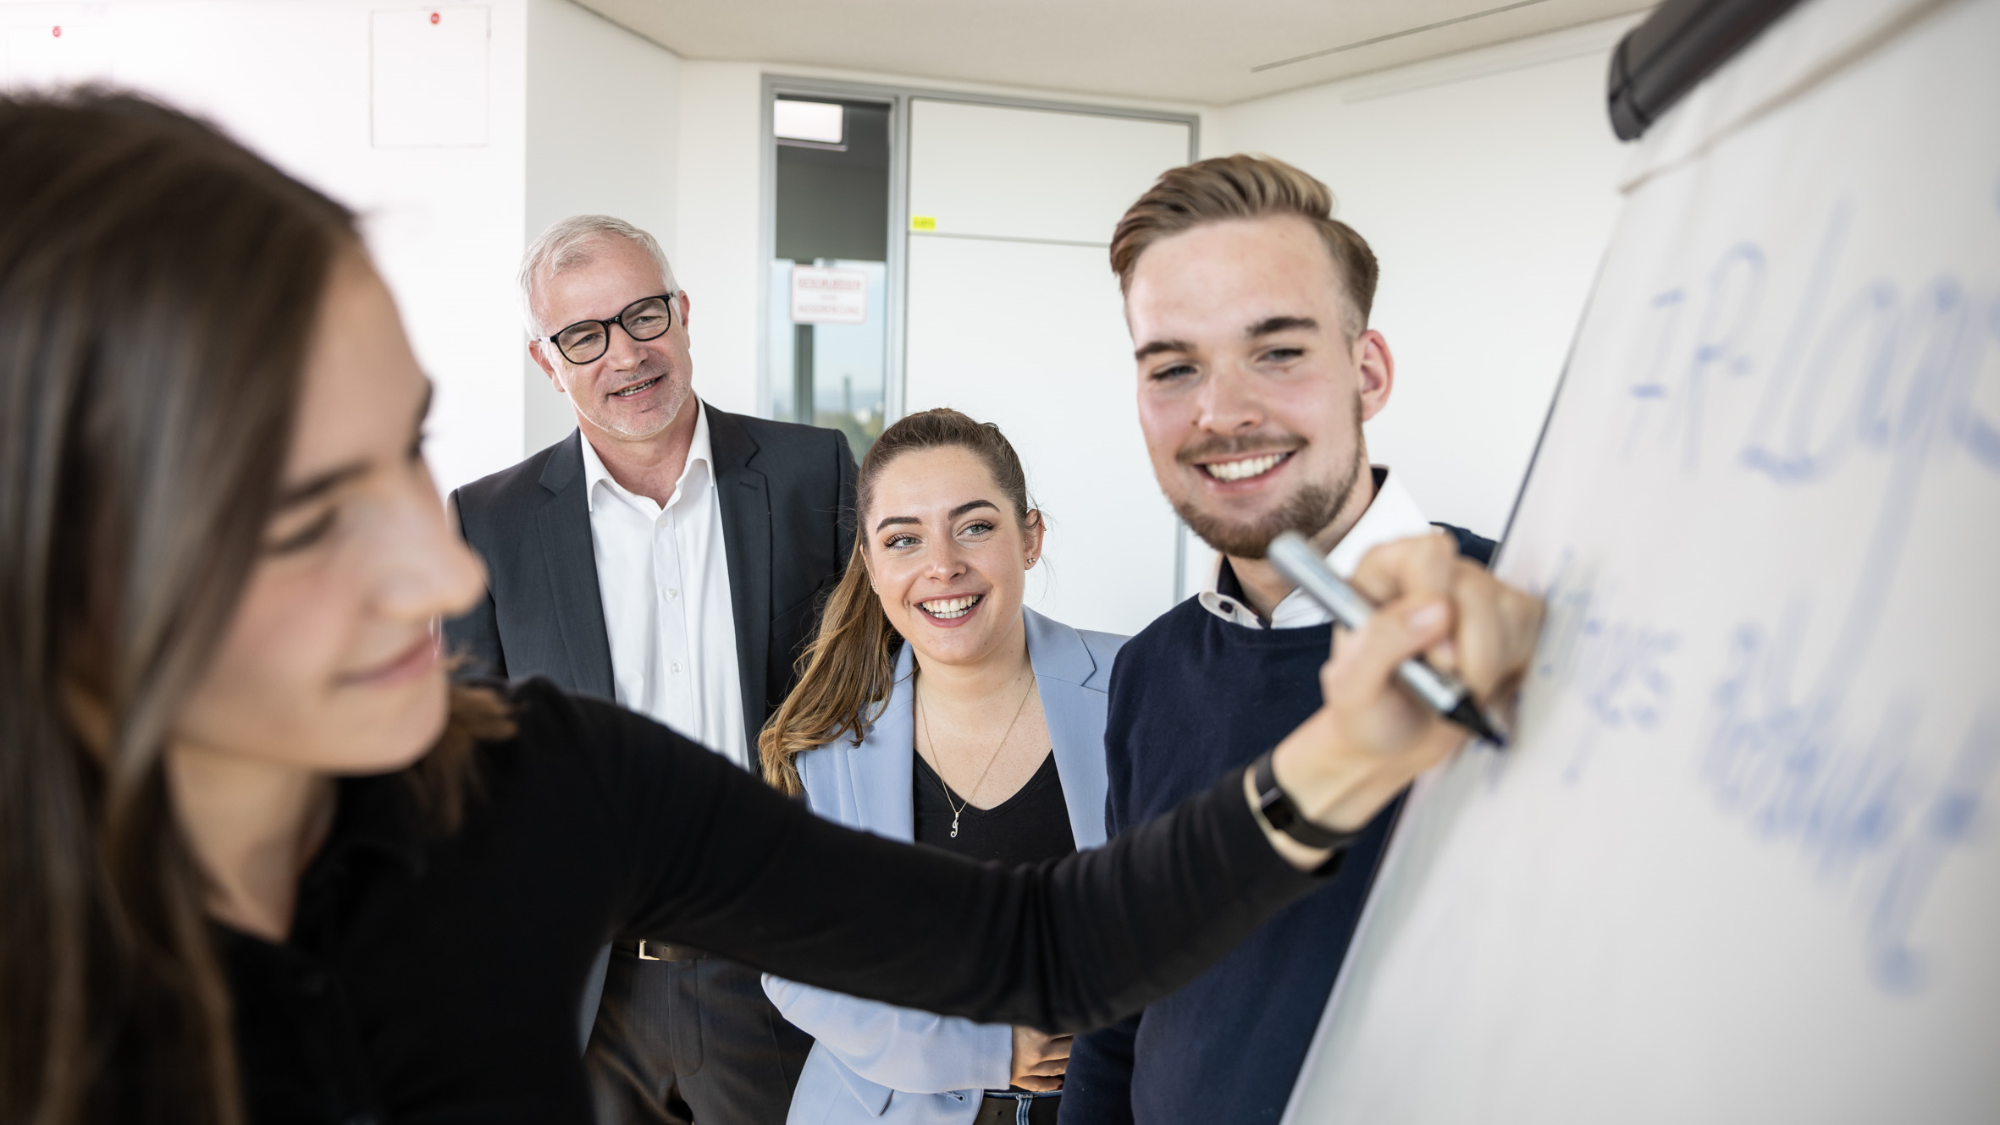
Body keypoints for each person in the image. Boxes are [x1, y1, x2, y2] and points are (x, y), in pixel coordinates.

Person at [0, 92, 1544, 1125]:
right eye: (304, 517)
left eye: (407, 444)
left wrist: (1355, 740)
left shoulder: (545, 788)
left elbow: (1045, 938)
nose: (442, 570)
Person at [1060, 155, 1505, 1125]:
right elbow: (1118, 999)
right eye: (1173, 367)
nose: (1220, 411)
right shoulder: (1149, 671)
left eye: (1277, 350)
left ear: (1367, 370)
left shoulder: (1512, 625)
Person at [444, 215, 852, 1122]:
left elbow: (880, 701)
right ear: (546, 361)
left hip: (780, 977)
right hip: (586, 997)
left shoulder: (810, 474)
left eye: (642, 316)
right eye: (583, 336)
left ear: (683, 313)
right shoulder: (489, 524)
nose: (624, 354)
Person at [758, 409, 1120, 1125]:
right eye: (904, 539)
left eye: (975, 526)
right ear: (869, 561)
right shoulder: (824, 743)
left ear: (1031, 536)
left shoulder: (1138, 683)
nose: (943, 564)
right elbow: (798, 971)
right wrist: (987, 1047)